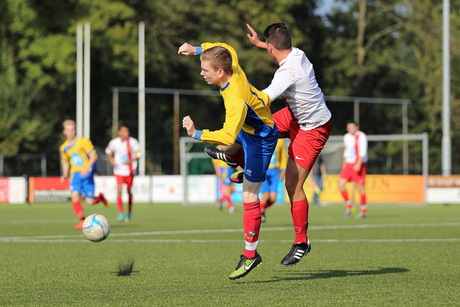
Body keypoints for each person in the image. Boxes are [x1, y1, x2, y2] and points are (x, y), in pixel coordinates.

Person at [224, 23, 331, 266]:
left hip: (312, 128)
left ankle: (301, 242)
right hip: (295, 116)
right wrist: (260, 44)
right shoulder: (298, 53)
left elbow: (263, 98)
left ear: (272, 48)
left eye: (267, 47)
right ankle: (244, 166)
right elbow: (279, 48)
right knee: (258, 126)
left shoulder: (287, 73)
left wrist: (235, 92)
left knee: (292, 185)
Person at [179, 41, 278, 280]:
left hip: (261, 139)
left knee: (248, 196)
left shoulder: (234, 99)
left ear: (221, 72)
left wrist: (196, 134)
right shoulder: (231, 61)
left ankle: (251, 255)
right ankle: (239, 165)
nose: (201, 73)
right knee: (223, 148)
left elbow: (227, 134)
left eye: (205, 70)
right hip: (250, 129)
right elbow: (225, 46)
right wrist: (197, 50)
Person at [59, 119, 109, 230]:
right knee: (74, 196)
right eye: (68, 130)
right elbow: (65, 161)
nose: (70, 132)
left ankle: (100, 198)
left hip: (87, 174)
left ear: (75, 130)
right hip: (75, 174)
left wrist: (87, 168)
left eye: (72, 130)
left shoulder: (83, 142)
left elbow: (94, 156)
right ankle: (82, 220)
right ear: (64, 132)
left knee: (90, 202)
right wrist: (65, 174)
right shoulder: (64, 147)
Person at [105, 122, 142, 222]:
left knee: (129, 191)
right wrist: (111, 160)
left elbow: (139, 154)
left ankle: (129, 212)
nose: (126, 133)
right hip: (118, 170)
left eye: (127, 131)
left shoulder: (133, 142)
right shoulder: (114, 142)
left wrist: (131, 161)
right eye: (123, 131)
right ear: (119, 132)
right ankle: (121, 213)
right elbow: (108, 152)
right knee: (119, 190)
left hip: (130, 170)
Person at [338, 120, 368, 218]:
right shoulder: (346, 137)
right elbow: (346, 151)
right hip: (348, 164)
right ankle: (349, 206)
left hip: (358, 163)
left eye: (352, 127)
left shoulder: (361, 136)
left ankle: (363, 211)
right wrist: (344, 166)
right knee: (341, 185)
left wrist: (359, 163)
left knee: (360, 188)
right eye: (349, 127)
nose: (351, 129)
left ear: (357, 127)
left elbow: (362, 150)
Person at [260, 138, 287, 223]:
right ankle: (260, 213)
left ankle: (260, 210)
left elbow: (283, 157)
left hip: (274, 172)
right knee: (266, 196)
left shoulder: (280, 141)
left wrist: (283, 170)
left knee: (273, 199)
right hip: (262, 170)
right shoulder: (261, 138)